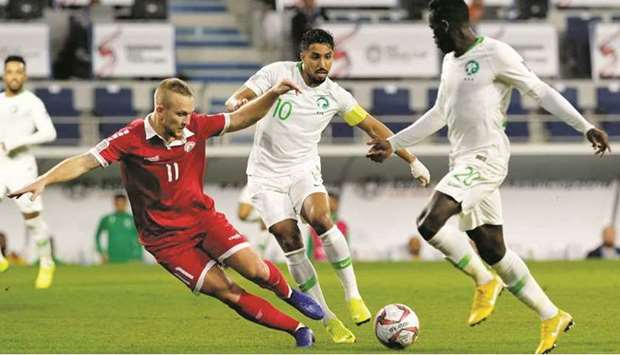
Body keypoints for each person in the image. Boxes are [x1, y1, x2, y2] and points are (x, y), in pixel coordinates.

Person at [366, 0, 611, 353]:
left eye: (435, 28)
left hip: (487, 158)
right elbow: (438, 114)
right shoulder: (450, 63)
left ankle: (484, 281)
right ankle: (551, 314)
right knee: (492, 248)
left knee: (428, 223)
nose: (433, 36)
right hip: (462, 161)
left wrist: (585, 126)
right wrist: (392, 144)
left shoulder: (496, 54)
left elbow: (540, 91)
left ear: (450, 25)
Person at [9, 77, 325, 348]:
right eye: (181, 114)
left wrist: (272, 94)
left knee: (255, 270)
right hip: (166, 242)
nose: (188, 120)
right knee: (227, 291)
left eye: (190, 113)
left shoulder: (196, 127)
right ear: (160, 110)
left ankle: (290, 295)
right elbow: (84, 160)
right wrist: (43, 181)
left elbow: (241, 119)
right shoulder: (130, 138)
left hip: (203, 219)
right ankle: (297, 330)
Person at [225, 28, 430, 343]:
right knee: (288, 238)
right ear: (302, 56)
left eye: (328, 57)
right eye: (315, 56)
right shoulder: (276, 73)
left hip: (303, 169)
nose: (322, 63)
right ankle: (328, 318)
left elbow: (373, 126)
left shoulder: (336, 95)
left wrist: (412, 160)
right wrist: (236, 100)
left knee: (321, 217)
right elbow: (243, 95)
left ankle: (353, 295)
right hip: (266, 175)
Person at [0, 55, 57, 288]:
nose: (13, 76)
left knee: (32, 219)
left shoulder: (31, 102)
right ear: (4, 75)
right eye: (10, 71)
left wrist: (15, 142)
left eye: (18, 72)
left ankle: (46, 262)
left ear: (24, 76)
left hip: (22, 166)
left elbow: (49, 133)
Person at [95, 194, 142, 263]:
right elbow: (97, 236)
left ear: (126, 203)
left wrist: (138, 255)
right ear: (114, 203)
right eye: (118, 203)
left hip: (130, 259)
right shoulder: (107, 219)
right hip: (111, 258)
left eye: (122, 203)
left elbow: (140, 239)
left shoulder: (133, 219)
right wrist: (101, 252)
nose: (120, 205)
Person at [306, 191, 348, 262]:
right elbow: (310, 247)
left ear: (337, 204)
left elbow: (346, 247)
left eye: (333, 202)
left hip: (338, 262)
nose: (330, 204)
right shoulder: (315, 224)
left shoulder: (342, 225)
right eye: (328, 201)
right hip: (319, 263)